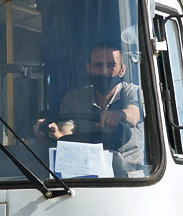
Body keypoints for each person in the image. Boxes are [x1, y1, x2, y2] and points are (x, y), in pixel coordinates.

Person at [34, 42, 145, 174]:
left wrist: (120, 115)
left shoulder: (133, 92)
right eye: (98, 65)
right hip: (86, 175)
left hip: (131, 178)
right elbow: (65, 136)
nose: (104, 72)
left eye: (111, 65)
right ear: (89, 68)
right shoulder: (74, 98)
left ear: (122, 70)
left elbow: (134, 113)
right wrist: (50, 131)